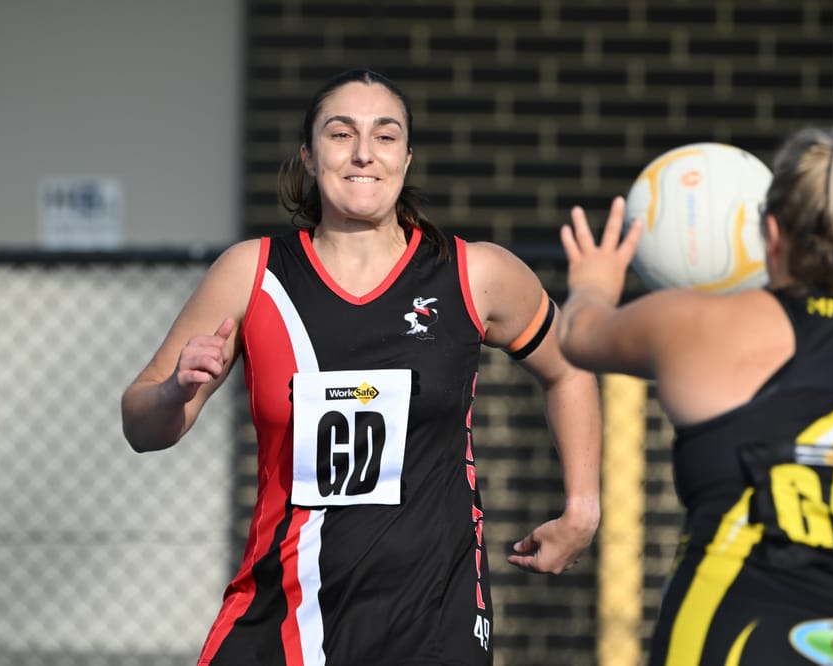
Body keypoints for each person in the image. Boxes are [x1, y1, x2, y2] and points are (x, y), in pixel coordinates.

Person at [120, 68, 601, 666]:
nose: (364, 153)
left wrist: (583, 508)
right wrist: (173, 389)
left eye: (385, 135)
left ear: (407, 157)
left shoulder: (474, 274)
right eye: (341, 134)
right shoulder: (254, 274)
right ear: (309, 156)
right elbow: (141, 426)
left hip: (433, 614)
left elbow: (571, 369)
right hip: (288, 610)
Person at [557, 125, 833, 665]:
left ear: (772, 232)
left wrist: (594, 282)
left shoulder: (695, 325)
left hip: (732, 635)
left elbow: (579, 334)